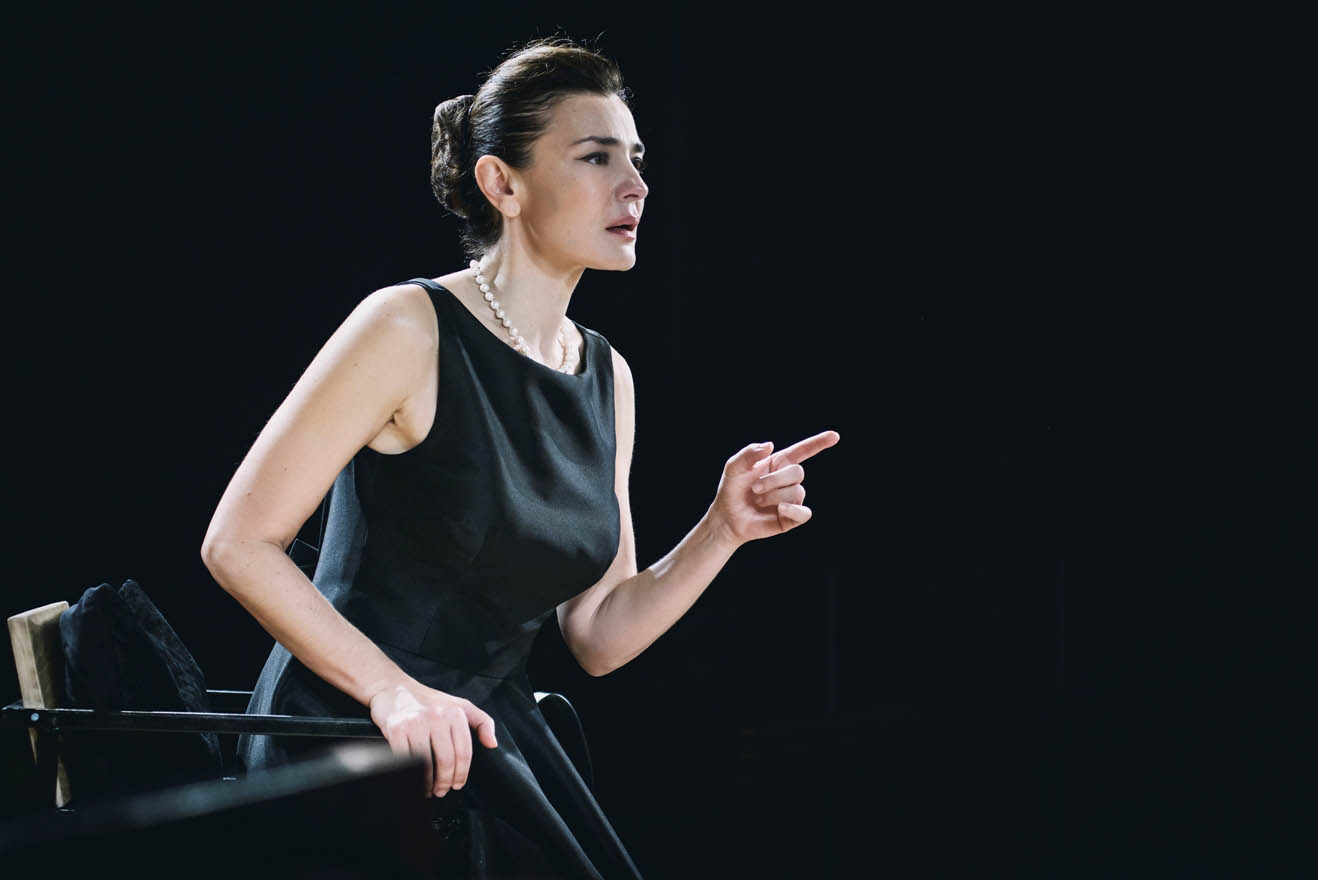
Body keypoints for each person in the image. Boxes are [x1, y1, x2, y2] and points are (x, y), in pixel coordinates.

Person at [200, 35, 839, 878]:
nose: (635, 185)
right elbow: (238, 543)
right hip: (350, 730)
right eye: (596, 157)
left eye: (637, 160)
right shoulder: (406, 326)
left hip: (491, 735)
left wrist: (722, 529)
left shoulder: (606, 373)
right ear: (502, 183)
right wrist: (393, 690)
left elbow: (598, 634)